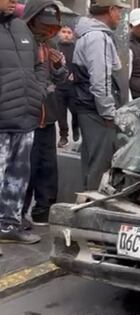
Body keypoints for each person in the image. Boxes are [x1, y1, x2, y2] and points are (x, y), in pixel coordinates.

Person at [0, 0, 48, 246]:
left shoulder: (21, 27)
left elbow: (39, 64)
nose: (12, 1)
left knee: (18, 178)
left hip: (24, 119)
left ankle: (9, 225)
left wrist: (37, 90)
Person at [72, 0, 129, 190]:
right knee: (99, 166)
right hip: (96, 111)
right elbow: (100, 79)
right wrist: (108, 112)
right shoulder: (99, 37)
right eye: (118, 11)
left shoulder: (90, 35)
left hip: (88, 107)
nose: (119, 16)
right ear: (110, 10)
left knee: (91, 164)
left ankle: (85, 205)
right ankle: (92, 209)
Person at [22, 0, 69, 226]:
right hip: (25, 116)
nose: (47, 31)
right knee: (25, 167)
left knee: (48, 166)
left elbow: (62, 79)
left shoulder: (52, 43)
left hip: (48, 114)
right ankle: (18, 213)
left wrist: (59, 67)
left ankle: (44, 209)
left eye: (51, 26)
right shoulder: (21, 41)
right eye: (43, 25)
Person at [55, 25, 79, 148]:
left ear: (73, 35)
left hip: (73, 86)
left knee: (75, 111)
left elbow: (80, 65)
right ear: (59, 33)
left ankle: (76, 126)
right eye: (63, 32)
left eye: (69, 32)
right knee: (61, 113)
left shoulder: (76, 48)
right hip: (58, 86)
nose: (66, 34)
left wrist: (76, 74)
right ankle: (63, 136)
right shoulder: (55, 48)